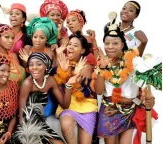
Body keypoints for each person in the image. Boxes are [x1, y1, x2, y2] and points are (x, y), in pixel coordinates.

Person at [95, 12, 155, 144]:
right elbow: (99, 91)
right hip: (109, 109)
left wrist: (150, 100)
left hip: (129, 110)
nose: (110, 47)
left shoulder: (134, 61)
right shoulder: (103, 62)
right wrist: (102, 70)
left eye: (115, 43)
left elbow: (146, 89)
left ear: (122, 44)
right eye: (107, 43)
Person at [13, 52, 84, 144]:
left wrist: (69, 85)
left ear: (46, 66)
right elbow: (21, 112)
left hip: (40, 123)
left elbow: (65, 105)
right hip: (28, 125)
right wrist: (24, 135)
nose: (34, 67)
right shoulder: (27, 83)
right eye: (31, 65)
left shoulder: (50, 80)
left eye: (39, 64)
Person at [54, 31, 98, 144]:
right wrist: (58, 57)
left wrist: (73, 74)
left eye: (75, 45)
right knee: (66, 124)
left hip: (86, 106)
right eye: (69, 44)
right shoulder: (63, 63)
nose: (71, 47)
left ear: (82, 51)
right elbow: (61, 88)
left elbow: (82, 91)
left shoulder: (87, 67)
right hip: (68, 105)